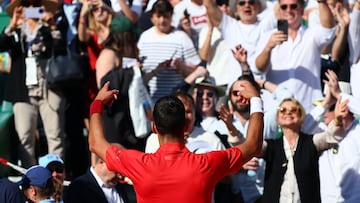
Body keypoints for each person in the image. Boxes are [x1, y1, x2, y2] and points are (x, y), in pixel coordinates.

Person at [88, 79, 264, 202]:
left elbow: (95, 143)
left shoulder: (138, 164)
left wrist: (97, 103)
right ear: (185, 126)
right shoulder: (206, 163)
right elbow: (254, 145)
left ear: (154, 128)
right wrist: (255, 98)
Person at [0, 0, 65, 167]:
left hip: (48, 87)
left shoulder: (48, 28)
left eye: (35, 5)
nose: (31, 9)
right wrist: (13, 24)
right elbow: (2, 45)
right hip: (23, 90)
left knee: (54, 134)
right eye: (27, 5)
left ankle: (55, 178)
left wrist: (51, 26)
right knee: (25, 136)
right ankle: (32, 180)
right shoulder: (16, 31)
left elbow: (60, 50)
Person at [254, 0, 336, 112]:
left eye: (293, 6)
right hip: (277, 109)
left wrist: (321, 2)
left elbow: (329, 30)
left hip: (308, 108)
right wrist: (268, 48)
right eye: (284, 7)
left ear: (302, 10)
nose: (289, 10)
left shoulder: (311, 34)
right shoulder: (268, 36)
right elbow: (259, 69)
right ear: (279, 11)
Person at [261, 97, 346, 202]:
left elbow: (332, 137)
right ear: (278, 117)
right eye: (282, 110)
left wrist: (337, 120)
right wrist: (233, 130)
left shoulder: (311, 142)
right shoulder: (271, 147)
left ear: (301, 115)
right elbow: (250, 147)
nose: (288, 113)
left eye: (293, 110)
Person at [138, 0, 201, 103]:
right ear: (152, 17)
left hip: (175, 101)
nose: (162, 21)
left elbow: (196, 71)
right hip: (150, 101)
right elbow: (138, 69)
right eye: (158, 16)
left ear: (172, 16)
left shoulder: (182, 37)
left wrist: (181, 66)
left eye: (166, 16)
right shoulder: (144, 38)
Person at [64, 154, 129, 203]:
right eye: (117, 170)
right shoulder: (78, 188)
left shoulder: (119, 186)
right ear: (102, 162)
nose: (120, 176)